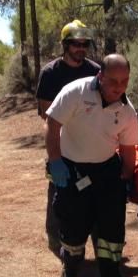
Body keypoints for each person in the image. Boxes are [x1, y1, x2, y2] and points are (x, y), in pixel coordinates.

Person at [45, 54, 138, 277]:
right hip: (72, 169)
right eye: (112, 81)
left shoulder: (127, 111)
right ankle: (72, 261)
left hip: (106, 170)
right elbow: (52, 124)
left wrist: (127, 178)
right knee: (74, 225)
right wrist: (55, 161)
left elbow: (128, 149)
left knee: (112, 229)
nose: (118, 87)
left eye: (124, 81)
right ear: (100, 76)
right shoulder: (76, 92)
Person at [37, 20, 101, 253]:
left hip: (91, 143)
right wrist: (55, 155)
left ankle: (94, 242)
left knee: (93, 194)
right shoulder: (50, 73)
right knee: (59, 191)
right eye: (75, 43)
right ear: (65, 45)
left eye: (84, 43)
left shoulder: (95, 71)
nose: (80, 48)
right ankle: (56, 238)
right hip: (61, 143)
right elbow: (46, 113)